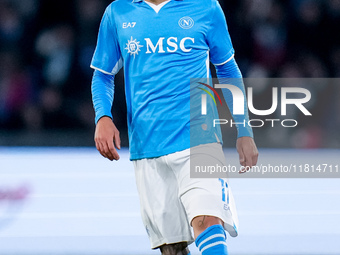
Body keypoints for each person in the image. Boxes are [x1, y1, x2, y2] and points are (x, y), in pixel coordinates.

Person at [90, 0, 259, 254]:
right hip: (147, 145)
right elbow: (103, 75)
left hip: (199, 137)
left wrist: (244, 129)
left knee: (207, 218)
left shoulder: (206, 7)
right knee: (172, 248)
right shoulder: (118, 12)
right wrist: (103, 116)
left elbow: (227, 69)